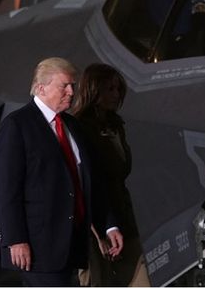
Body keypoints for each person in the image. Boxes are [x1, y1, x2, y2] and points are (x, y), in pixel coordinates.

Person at [0, 57, 124, 286]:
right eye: (64, 86)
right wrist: (15, 239)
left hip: (71, 244)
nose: (71, 92)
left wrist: (109, 224)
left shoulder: (72, 126)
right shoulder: (17, 126)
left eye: (73, 86)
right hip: (37, 247)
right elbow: (6, 190)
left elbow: (90, 182)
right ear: (41, 88)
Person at [72, 63, 150, 287]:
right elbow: (85, 183)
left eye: (118, 89)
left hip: (124, 215)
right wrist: (102, 231)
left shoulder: (116, 126)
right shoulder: (79, 128)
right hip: (96, 224)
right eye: (109, 89)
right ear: (93, 90)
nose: (116, 95)